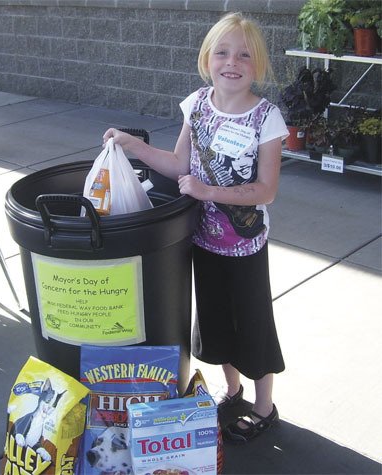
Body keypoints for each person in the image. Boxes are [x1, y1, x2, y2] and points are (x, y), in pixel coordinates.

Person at [103, 12, 287, 444]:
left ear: (257, 65)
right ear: (208, 59)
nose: (232, 62)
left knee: (252, 323)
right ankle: (234, 389)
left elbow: (266, 191)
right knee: (217, 322)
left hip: (244, 247)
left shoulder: (267, 119)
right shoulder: (198, 104)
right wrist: (134, 146)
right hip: (202, 240)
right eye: (222, 52)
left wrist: (209, 191)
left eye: (244, 54)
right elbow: (178, 164)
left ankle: (264, 407)